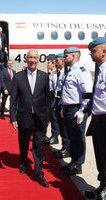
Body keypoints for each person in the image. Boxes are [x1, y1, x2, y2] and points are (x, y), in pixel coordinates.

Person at [10, 49, 50, 188]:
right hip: (23, 117)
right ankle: (23, 161)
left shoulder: (44, 76)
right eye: (30, 57)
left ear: (38, 59)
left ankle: (39, 173)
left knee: (39, 147)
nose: (32, 60)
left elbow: (47, 99)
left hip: (40, 118)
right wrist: (13, 117)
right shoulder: (18, 77)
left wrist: (48, 118)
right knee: (24, 142)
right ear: (26, 59)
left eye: (35, 58)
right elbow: (13, 99)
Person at [60, 47, 93, 176]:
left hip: (76, 109)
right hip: (68, 108)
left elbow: (87, 92)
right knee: (72, 137)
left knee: (78, 138)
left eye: (66, 55)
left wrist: (82, 110)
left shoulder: (81, 71)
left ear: (73, 56)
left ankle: (78, 164)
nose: (64, 58)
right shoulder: (70, 71)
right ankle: (73, 161)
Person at [84, 37, 106, 200]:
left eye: (93, 51)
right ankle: (102, 186)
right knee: (100, 157)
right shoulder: (100, 70)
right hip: (98, 121)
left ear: (104, 51)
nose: (91, 54)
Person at [53, 53, 70, 159]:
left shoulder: (66, 73)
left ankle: (67, 149)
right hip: (58, 100)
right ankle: (64, 147)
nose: (55, 63)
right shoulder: (60, 72)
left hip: (62, 101)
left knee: (64, 128)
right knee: (61, 125)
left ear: (62, 61)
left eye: (57, 61)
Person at [46, 54, 60, 145]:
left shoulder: (55, 75)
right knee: (51, 117)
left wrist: (54, 101)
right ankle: (52, 135)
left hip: (54, 98)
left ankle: (55, 136)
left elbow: (55, 88)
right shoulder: (51, 73)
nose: (47, 64)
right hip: (50, 97)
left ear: (53, 63)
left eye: (48, 62)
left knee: (54, 119)